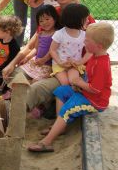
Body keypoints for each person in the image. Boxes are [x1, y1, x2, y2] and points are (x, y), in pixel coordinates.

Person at [2, 0, 96, 113]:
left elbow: (94, 50)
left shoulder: (82, 16)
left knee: (37, 88)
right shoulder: (51, 14)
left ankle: (14, 112)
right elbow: (31, 45)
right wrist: (12, 63)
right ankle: (36, 105)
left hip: (70, 69)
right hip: (48, 64)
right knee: (15, 73)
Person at [28, 22, 114, 152]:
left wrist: (78, 82)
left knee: (68, 108)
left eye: (87, 41)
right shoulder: (95, 56)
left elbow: (96, 89)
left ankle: (47, 142)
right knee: (60, 91)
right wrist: (78, 84)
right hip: (85, 93)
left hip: (95, 101)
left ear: (98, 46)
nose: (84, 42)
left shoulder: (101, 64)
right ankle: (60, 127)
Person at [49, 3, 92, 86]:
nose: (88, 21)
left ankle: (75, 97)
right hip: (59, 65)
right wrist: (60, 62)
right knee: (65, 82)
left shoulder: (84, 35)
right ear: (76, 20)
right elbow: (52, 50)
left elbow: (89, 52)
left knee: (73, 81)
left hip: (74, 66)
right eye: (86, 19)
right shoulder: (60, 34)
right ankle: (63, 97)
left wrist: (80, 62)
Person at [19, 5, 60, 82]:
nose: (44, 22)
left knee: (35, 81)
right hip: (37, 62)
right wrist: (27, 58)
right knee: (20, 73)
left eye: (47, 19)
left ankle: (29, 92)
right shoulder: (40, 34)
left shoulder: (57, 34)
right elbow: (36, 49)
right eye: (41, 21)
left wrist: (44, 59)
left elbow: (53, 50)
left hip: (48, 65)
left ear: (55, 18)